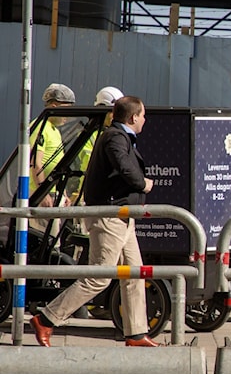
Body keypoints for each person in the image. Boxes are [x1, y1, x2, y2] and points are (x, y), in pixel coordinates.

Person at [29, 96, 159, 347]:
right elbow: (124, 167)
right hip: (111, 216)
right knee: (99, 276)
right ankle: (46, 318)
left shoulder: (120, 137)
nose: (145, 120)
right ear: (133, 117)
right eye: (143, 115)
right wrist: (143, 184)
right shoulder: (115, 137)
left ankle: (136, 333)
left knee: (134, 274)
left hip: (123, 216)